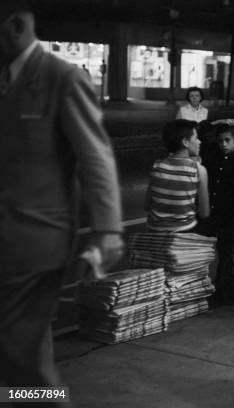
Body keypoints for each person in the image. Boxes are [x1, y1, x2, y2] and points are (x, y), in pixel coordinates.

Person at [0, 0, 124, 397]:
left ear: (15, 25)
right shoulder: (5, 80)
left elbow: (96, 157)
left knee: (23, 359)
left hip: (37, 242)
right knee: (23, 354)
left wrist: (107, 231)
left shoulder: (61, 77)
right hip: (9, 243)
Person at [202, 124, 234, 299]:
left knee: (225, 249)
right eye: (220, 141)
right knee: (206, 248)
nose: (223, 144)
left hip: (228, 210)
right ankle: (203, 283)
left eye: (227, 140)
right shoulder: (213, 157)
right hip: (212, 209)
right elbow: (202, 128)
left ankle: (222, 286)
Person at [146, 119, 210, 233]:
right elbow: (204, 213)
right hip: (184, 232)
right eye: (196, 138)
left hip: (154, 232)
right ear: (185, 142)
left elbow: (147, 205)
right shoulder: (198, 170)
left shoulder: (156, 165)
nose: (199, 142)